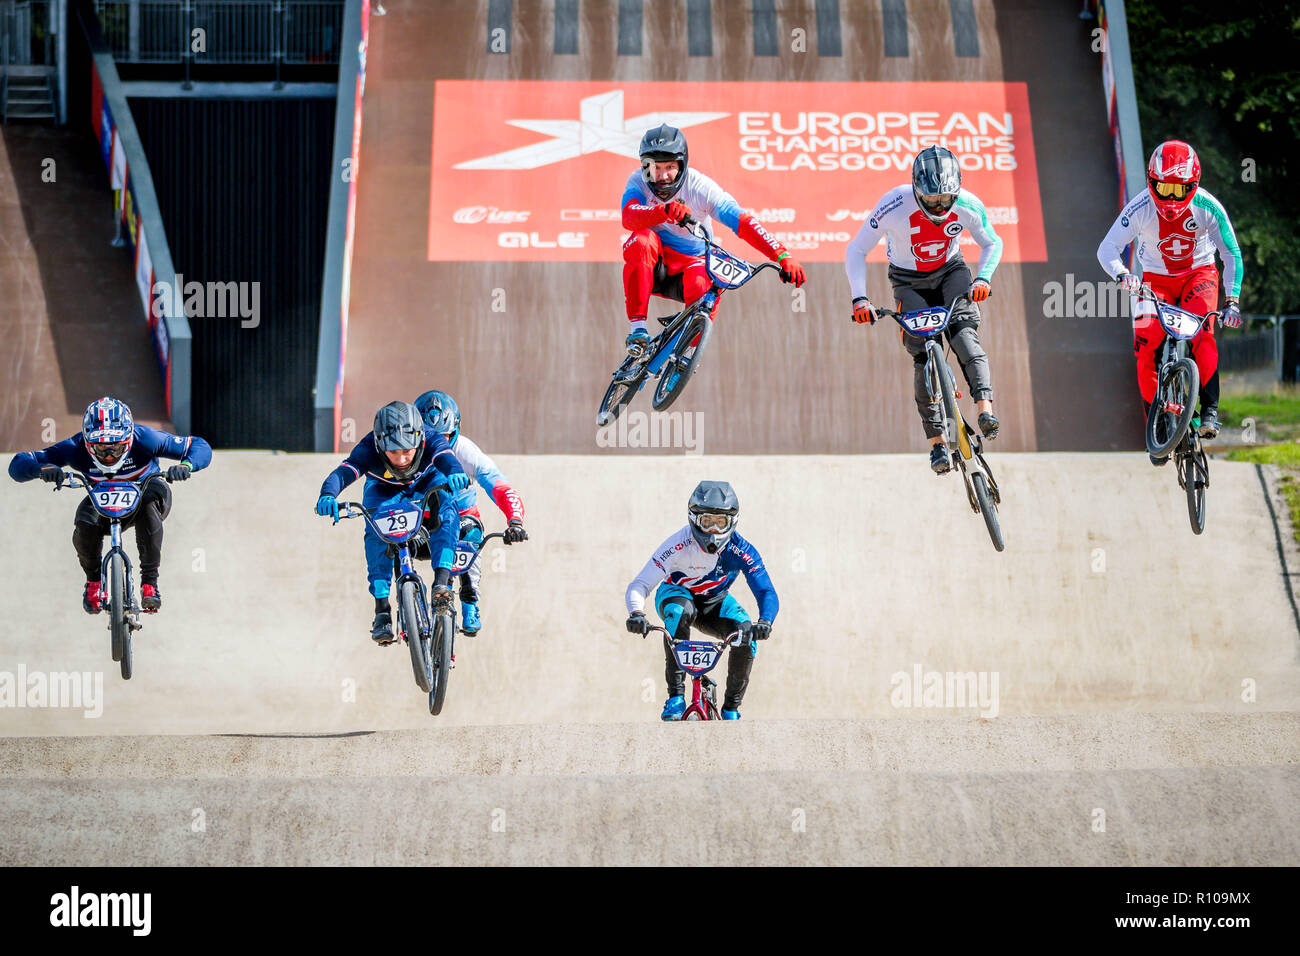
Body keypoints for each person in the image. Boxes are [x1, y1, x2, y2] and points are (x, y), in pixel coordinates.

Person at [844, 145, 1004, 475]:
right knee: (921, 354)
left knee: (964, 338)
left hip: (951, 271)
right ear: (916, 191)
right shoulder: (893, 203)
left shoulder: (969, 204)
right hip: (908, 281)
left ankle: (985, 409)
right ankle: (937, 444)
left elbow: (992, 242)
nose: (939, 206)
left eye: (946, 199)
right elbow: (856, 248)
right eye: (931, 200)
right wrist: (860, 298)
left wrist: (984, 277)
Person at [1096, 139, 1243, 456]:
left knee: (1204, 335)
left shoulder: (1208, 207)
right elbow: (1107, 249)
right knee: (1145, 347)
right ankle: (1157, 423)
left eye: (1179, 191)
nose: (1171, 199)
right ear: (1151, 182)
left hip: (1198, 275)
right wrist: (1123, 274)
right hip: (1154, 280)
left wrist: (1232, 300)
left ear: (1194, 184)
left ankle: (1210, 411)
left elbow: (1231, 254)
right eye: (1163, 189)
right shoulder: (1139, 207)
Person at [8, 396, 212, 613]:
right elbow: (19, 464)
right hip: (101, 496)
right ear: (87, 442)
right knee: (84, 522)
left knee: (149, 507)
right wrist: (44, 469)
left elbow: (199, 445)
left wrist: (187, 465)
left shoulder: (146, 439)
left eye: (115, 448)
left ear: (129, 439)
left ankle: (150, 583)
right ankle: (94, 582)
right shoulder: (74, 447)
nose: (108, 456)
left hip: (146, 488)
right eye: (100, 448)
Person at [621, 124, 806, 357]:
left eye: (670, 167)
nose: (664, 176)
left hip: (691, 265)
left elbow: (744, 223)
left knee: (705, 284)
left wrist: (781, 255)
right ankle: (637, 331)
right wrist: (663, 211)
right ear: (645, 167)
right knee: (641, 240)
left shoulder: (700, 188)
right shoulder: (637, 181)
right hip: (655, 268)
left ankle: (684, 353)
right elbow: (629, 217)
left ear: (683, 165)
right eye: (655, 168)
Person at [315, 401, 471, 644]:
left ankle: (441, 586)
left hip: (426, 481)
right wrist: (328, 494)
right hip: (383, 489)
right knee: (374, 528)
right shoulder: (367, 448)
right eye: (393, 452)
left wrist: (455, 473)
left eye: (407, 451)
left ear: (420, 440)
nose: (401, 459)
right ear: (379, 445)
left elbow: (447, 459)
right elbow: (343, 473)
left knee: (447, 506)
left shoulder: (431, 438)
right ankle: (382, 610)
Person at [625, 481, 777, 720]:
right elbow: (641, 584)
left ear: (732, 522)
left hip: (715, 603)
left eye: (721, 523)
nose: (713, 532)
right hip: (676, 594)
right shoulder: (677, 544)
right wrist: (636, 612)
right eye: (707, 522)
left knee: (746, 635)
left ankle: (731, 710)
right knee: (679, 611)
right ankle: (675, 698)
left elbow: (766, 591)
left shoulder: (742, 550)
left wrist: (765, 621)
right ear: (694, 519)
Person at [413, 389, 528, 636]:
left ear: (456, 431)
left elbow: (500, 486)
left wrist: (515, 520)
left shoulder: (467, 452)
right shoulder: (407, 452)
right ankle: (402, 607)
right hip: (423, 519)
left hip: (462, 515)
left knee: (471, 534)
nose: (438, 444)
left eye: (444, 436)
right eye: (430, 436)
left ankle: (469, 599)